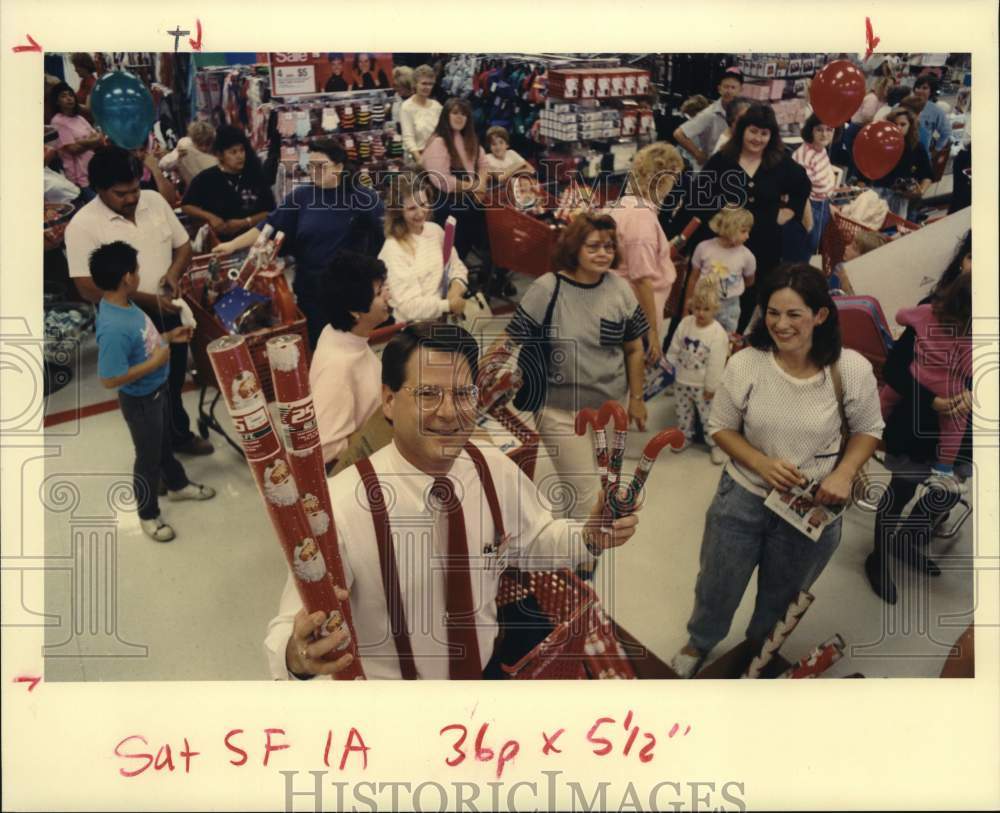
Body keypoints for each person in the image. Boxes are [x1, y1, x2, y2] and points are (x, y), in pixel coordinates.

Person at [264, 322, 642, 679]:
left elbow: (537, 538)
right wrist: (296, 656)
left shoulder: (494, 470)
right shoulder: (341, 508)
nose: (448, 412)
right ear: (389, 401)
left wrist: (589, 536)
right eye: (428, 393)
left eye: (462, 394)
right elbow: (289, 626)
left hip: (488, 672)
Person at [670, 264, 883, 677]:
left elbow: (868, 430)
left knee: (783, 594)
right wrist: (761, 462)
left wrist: (843, 474)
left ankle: (756, 652)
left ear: (820, 315)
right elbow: (721, 427)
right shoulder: (747, 363)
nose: (780, 325)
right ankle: (700, 642)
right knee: (718, 582)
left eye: (793, 315)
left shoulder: (850, 368)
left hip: (810, 507)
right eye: (772, 313)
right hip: (742, 497)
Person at [483, 213, 650, 521]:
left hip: (611, 409)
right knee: (586, 494)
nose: (603, 253)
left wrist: (637, 400)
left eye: (609, 247)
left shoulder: (620, 289)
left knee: (602, 482)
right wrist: (480, 377)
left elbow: (634, 347)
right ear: (574, 248)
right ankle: (582, 561)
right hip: (559, 411)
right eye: (594, 246)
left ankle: (577, 543)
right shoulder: (548, 288)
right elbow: (510, 338)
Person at [66, 146, 212, 456]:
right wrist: (147, 300)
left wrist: (173, 273)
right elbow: (86, 287)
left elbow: (183, 245)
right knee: (146, 393)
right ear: (99, 189)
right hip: (128, 323)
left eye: (135, 189)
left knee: (172, 381)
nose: (132, 198)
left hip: (169, 309)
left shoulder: (155, 201)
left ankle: (179, 437)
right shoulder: (82, 225)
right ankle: (156, 459)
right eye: (121, 194)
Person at [865, 232, 972, 605]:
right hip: (919, 421)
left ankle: (908, 540)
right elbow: (895, 370)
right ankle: (878, 557)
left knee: (946, 491)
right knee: (903, 488)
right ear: (962, 260)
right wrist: (934, 401)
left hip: (965, 429)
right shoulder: (934, 308)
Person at [90, 241, 216, 543]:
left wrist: (167, 337)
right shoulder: (113, 326)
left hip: (156, 392)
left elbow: (142, 343)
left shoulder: (125, 304)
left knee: (163, 446)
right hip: (141, 401)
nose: (139, 273)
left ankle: (177, 485)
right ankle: (147, 514)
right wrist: (157, 361)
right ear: (126, 278)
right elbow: (110, 378)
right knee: (147, 459)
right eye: (136, 269)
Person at [213, 138, 385, 348]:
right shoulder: (301, 196)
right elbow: (268, 226)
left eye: (321, 166)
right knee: (320, 345)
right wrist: (232, 245)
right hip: (312, 290)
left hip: (350, 291)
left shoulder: (363, 199)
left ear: (339, 168)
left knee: (354, 345)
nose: (314, 172)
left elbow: (383, 236)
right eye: (310, 166)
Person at [681, 103, 811, 334]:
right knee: (713, 294)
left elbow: (802, 184)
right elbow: (697, 195)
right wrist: (720, 214)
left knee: (750, 296)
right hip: (722, 244)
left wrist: (790, 212)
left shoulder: (780, 162)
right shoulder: (723, 160)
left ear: (771, 136)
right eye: (753, 131)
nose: (757, 138)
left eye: (764, 133)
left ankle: (736, 338)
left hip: (763, 244)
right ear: (742, 130)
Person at [879, 273, 971, 487]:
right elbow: (972, 371)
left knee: (885, 398)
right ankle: (943, 469)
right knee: (953, 430)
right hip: (950, 393)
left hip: (915, 377)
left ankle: (869, 431)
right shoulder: (969, 338)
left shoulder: (927, 312)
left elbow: (901, 315)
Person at [309, 251, 391, 470]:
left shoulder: (342, 334)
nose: (388, 295)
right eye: (378, 293)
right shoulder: (338, 366)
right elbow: (326, 449)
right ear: (355, 311)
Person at [606, 141, 685, 361]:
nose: (673, 185)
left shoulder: (625, 204)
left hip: (616, 308)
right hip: (634, 318)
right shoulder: (642, 219)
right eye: (673, 177)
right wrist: (652, 332)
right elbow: (641, 279)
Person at [377, 173, 469, 322]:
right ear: (398, 210)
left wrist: (455, 291)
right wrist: (448, 305)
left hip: (443, 319)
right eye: (412, 208)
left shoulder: (435, 230)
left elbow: (457, 266)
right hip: (415, 328)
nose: (420, 213)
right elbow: (409, 307)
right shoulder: (393, 249)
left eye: (424, 204)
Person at [664, 276, 730, 464]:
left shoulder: (717, 333)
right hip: (682, 382)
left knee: (709, 417)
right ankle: (685, 436)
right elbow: (674, 348)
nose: (701, 313)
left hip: (703, 387)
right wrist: (668, 372)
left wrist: (711, 387)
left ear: (715, 309)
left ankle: (715, 444)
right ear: (692, 306)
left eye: (706, 309)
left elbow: (716, 364)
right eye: (697, 308)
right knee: (683, 412)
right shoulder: (685, 323)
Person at [421, 97, 490, 263]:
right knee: (455, 246)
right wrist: (474, 186)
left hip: (470, 199)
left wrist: (481, 184)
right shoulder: (439, 142)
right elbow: (442, 181)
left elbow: (483, 163)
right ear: (446, 115)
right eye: (455, 113)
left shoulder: (470, 138)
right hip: (448, 203)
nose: (460, 117)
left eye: (464, 114)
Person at [181, 125, 275, 240]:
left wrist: (245, 222)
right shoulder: (207, 178)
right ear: (220, 155)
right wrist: (210, 217)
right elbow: (186, 205)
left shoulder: (255, 176)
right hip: (220, 244)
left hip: (253, 241)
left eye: (242, 150)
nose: (240, 156)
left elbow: (270, 211)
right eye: (233, 152)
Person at [687, 207, 756, 334]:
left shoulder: (747, 256)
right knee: (698, 334)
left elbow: (749, 281)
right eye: (743, 231)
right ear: (729, 229)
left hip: (729, 307)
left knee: (724, 339)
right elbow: (693, 278)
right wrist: (688, 305)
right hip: (703, 303)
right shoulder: (704, 248)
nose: (747, 236)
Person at [859, 106, 932, 221]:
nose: (898, 128)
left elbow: (927, 174)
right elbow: (862, 172)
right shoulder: (878, 143)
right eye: (894, 124)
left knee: (894, 232)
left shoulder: (916, 147)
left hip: (900, 199)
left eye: (903, 124)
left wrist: (920, 191)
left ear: (910, 126)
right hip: (876, 195)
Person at [788, 114, 838, 260]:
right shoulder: (804, 155)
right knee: (805, 250)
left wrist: (829, 203)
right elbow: (800, 193)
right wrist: (809, 223)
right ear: (811, 130)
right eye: (819, 130)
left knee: (814, 249)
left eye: (829, 129)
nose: (824, 134)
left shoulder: (821, 149)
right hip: (809, 208)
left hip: (822, 205)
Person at [672, 68, 744, 170]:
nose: (729, 91)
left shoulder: (743, 112)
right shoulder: (710, 114)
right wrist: (698, 155)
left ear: (740, 90)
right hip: (710, 170)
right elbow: (679, 134)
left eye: (733, 87)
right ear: (719, 89)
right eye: (726, 87)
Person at [49, 81, 104, 192]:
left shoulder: (79, 118)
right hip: (79, 178)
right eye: (63, 96)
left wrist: (81, 142)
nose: (69, 98)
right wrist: (91, 141)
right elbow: (73, 149)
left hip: (93, 170)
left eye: (70, 95)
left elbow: (99, 138)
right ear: (57, 101)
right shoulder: (58, 121)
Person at [399, 65, 443, 163]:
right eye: (424, 83)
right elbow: (408, 137)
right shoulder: (406, 107)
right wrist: (420, 160)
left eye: (430, 84)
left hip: (436, 157)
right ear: (415, 84)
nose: (427, 87)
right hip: (415, 158)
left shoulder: (437, 107)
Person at [158, 120, 218, 187]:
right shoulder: (185, 146)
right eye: (200, 144)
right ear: (193, 140)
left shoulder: (216, 151)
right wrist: (178, 158)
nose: (204, 148)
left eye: (207, 144)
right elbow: (162, 164)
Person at [828, 229, 886, 294]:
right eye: (850, 244)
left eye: (854, 248)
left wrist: (846, 287)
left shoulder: (841, 271)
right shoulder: (840, 268)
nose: (846, 247)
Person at [911, 75, 952, 159]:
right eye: (918, 87)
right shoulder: (905, 104)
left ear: (931, 91)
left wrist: (934, 152)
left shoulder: (936, 111)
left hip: (921, 155)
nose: (920, 90)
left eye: (925, 88)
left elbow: (946, 132)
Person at [390, 66, 414, 130]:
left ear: (407, 85)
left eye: (398, 86)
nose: (395, 89)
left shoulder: (416, 100)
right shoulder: (397, 95)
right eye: (394, 85)